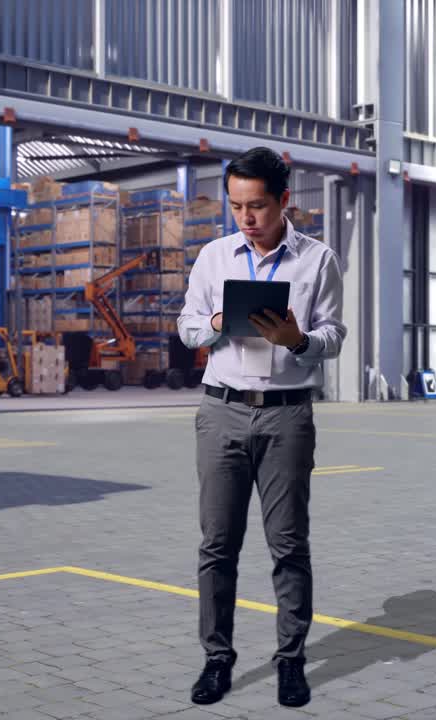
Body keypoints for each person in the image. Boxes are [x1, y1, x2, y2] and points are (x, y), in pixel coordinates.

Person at [177, 147, 347, 708]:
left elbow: (333, 336)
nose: (246, 218)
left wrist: (297, 340)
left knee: (289, 544)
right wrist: (215, 322)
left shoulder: (317, 261)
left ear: (283, 201)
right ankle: (216, 659)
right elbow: (186, 326)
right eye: (236, 206)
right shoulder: (213, 257)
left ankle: (291, 661)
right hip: (221, 411)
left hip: (286, 414)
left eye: (257, 206)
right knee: (217, 545)